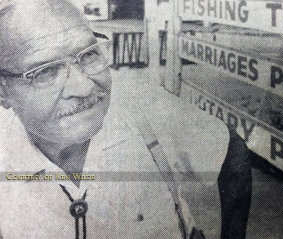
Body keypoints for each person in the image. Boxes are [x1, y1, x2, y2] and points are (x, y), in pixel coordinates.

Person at [0, 0, 251, 238]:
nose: (84, 86)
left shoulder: (140, 102)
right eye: (45, 71)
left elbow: (230, 149)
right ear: (3, 91)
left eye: (88, 55)